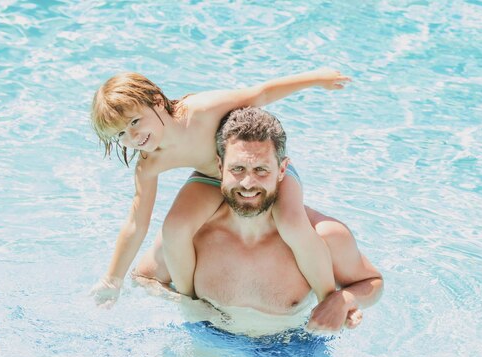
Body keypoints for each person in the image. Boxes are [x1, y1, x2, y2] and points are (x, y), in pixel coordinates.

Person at [89, 69, 352, 307]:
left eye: (135, 121)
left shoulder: (201, 110)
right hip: (212, 178)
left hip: (262, 173)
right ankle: (190, 301)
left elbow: (261, 93)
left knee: (292, 224)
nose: (133, 137)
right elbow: (136, 223)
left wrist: (317, 79)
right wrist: (113, 280)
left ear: (157, 101)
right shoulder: (149, 163)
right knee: (175, 228)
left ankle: (327, 299)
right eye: (120, 134)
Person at [133, 107, 384, 332]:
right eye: (238, 169)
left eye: (261, 170)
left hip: (291, 348)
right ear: (219, 167)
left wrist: (344, 301)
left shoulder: (323, 235)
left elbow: (373, 283)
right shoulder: (193, 233)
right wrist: (189, 306)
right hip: (211, 338)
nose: (248, 183)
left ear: (282, 170)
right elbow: (143, 278)